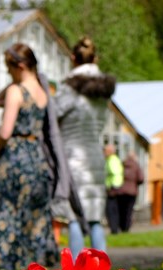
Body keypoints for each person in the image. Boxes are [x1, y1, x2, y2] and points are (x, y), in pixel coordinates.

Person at [0, 43, 59, 270]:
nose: (8, 73)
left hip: (15, 157)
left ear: (21, 66)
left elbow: (5, 131)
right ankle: (34, 266)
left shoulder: (16, 91)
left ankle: (3, 265)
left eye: (9, 68)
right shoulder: (43, 92)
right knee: (34, 214)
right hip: (37, 157)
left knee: (6, 210)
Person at [52, 36, 117, 258]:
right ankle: (102, 268)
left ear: (73, 58)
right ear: (95, 59)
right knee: (95, 218)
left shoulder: (69, 89)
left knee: (74, 218)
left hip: (72, 158)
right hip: (95, 157)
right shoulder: (102, 93)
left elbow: (52, 116)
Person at [115, 151, 144, 232]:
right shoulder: (136, 166)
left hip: (121, 191)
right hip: (131, 191)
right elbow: (141, 178)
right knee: (129, 211)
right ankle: (126, 228)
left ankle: (121, 226)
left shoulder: (122, 164)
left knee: (121, 210)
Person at [104, 144, 125, 233]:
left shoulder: (111, 160)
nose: (104, 153)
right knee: (116, 209)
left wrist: (111, 185)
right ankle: (115, 228)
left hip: (113, 187)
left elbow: (114, 172)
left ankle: (114, 228)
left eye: (105, 151)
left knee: (111, 209)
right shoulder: (116, 159)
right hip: (117, 186)